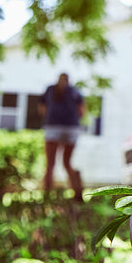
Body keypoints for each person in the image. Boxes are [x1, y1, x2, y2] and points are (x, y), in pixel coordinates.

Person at [38, 73, 87, 201]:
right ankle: (77, 193)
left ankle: (47, 195)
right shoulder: (75, 92)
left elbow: (42, 108)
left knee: (50, 164)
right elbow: (81, 111)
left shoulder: (50, 90)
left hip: (53, 127)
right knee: (67, 163)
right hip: (71, 129)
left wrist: (49, 117)